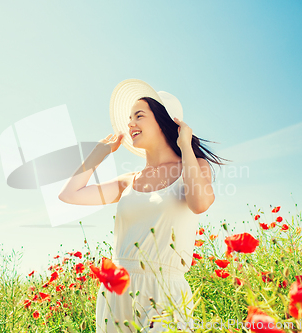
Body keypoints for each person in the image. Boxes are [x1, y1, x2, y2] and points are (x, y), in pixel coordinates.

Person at [58, 79, 229, 332]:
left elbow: (200, 203)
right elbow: (70, 194)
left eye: (139, 115)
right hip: (117, 291)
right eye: (129, 117)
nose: (130, 124)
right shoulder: (130, 180)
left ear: (165, 122)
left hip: (165, 291)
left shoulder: (193, 167)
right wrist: (98, 154)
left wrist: (185, 146)